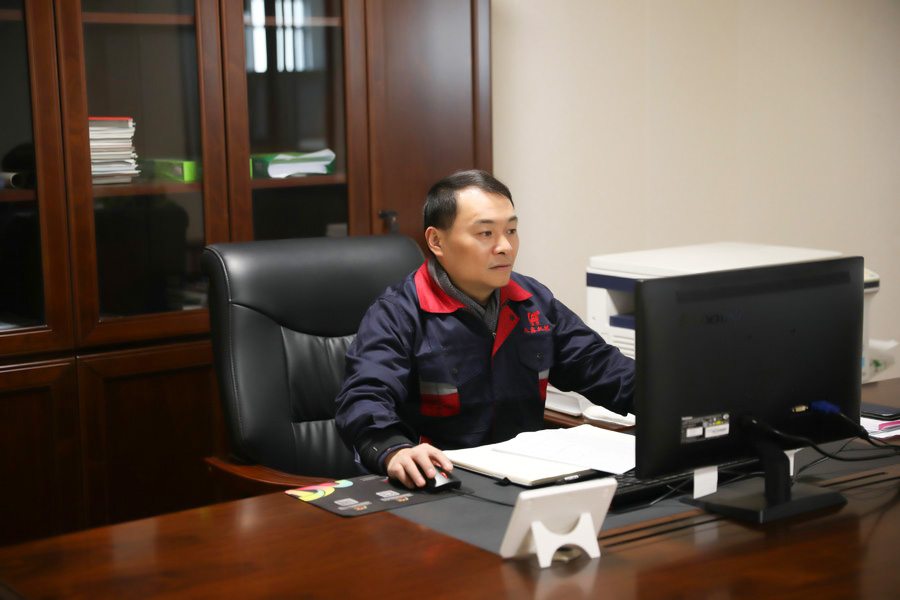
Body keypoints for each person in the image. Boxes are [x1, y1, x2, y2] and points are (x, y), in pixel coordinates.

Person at [335, 170, 634, 488]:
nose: (505, 246)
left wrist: (666, 398)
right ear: (436, 241)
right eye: (485, 233)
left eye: (511, 230)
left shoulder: (532, 302)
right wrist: (394, 450)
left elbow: (601, 366)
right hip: (442, 482)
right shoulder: (399, 312)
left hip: (525, 478)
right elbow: (364, 397)